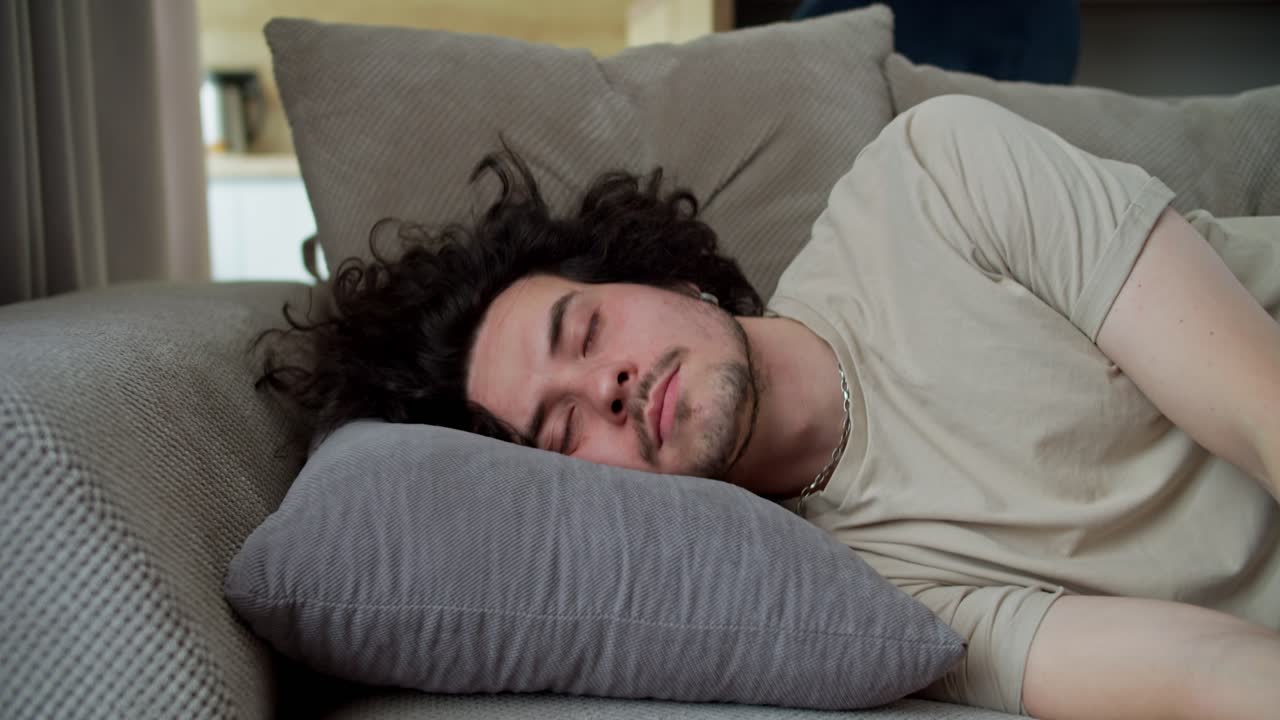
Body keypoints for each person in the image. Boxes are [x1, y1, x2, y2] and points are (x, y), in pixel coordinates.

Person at [257, 95, 1280, 718]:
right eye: (561, 433)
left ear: (663, 277)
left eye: (584, 332)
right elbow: (1201, 672)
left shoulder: (929, 182)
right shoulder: (858, 602)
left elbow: (1260, 409)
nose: (603, 386)